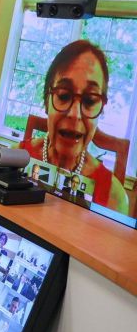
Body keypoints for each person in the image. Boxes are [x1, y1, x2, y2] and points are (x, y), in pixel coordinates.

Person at [18, 39, 129, 215]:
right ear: (47, 101)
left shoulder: (115, 199)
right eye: (63, 95)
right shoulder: (14, 158)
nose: (75, 114)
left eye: (90, 100)